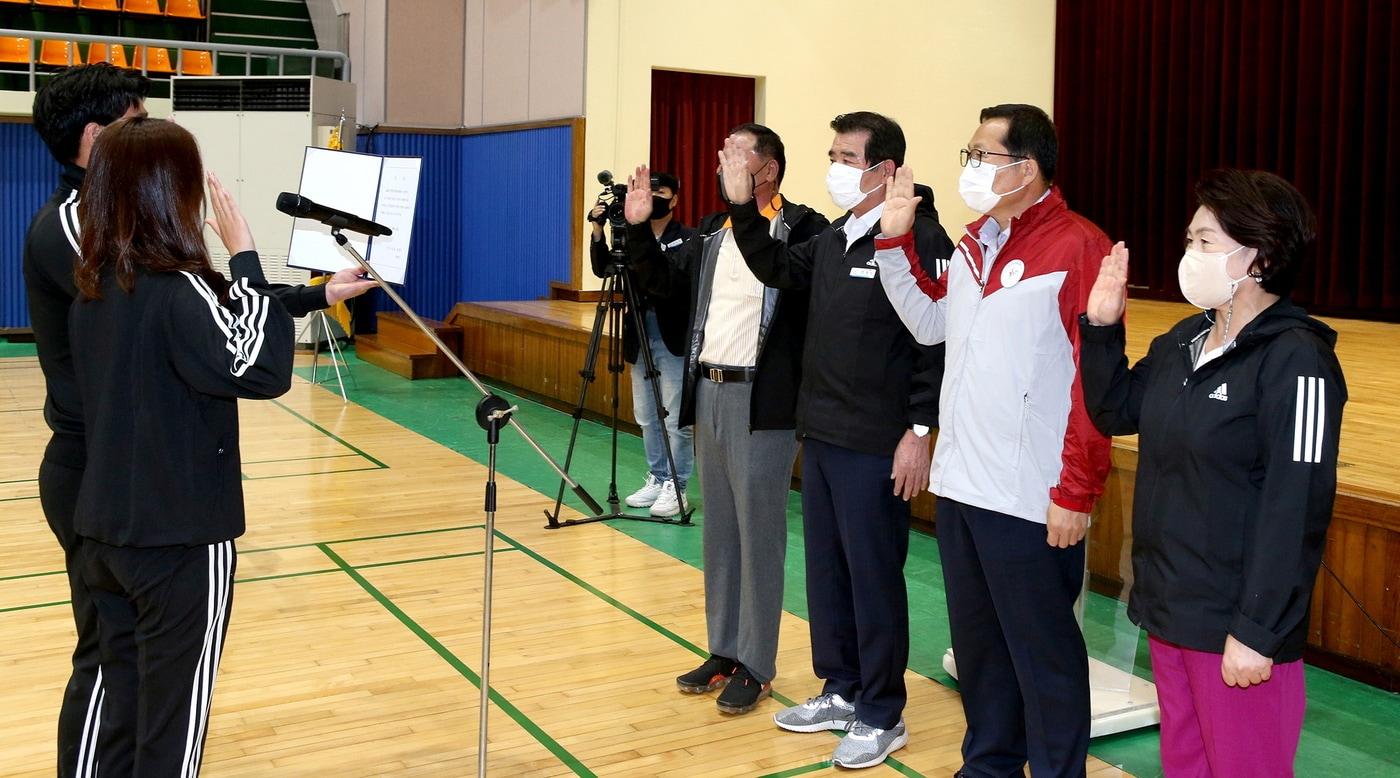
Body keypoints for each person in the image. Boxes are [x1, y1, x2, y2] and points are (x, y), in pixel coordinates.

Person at [22, 64, 375, 777]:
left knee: (116, 675)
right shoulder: (83, 241)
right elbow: (230, 347)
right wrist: (241, 251)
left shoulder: (107, 265)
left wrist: (306, 296)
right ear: (102, 141)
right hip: (138, 487)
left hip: (118, 494)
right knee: (139, 695)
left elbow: (203, 320)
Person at [1079, 169, 1345, 778]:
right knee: (1187, 766)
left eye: (1204, 242)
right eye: (1190, 240)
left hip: (1237, 627)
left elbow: (1296, 506)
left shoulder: (1298, 359)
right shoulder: (1185, 339)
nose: (1188, 255)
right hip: (1173, 612)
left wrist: (1259, 628)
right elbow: (1116, 408)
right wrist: (1101, 327)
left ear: (1261, 255)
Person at [873, 104, 1112, 777]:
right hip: (962, 488)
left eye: (983, 155)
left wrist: (1075, 491)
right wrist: (893, 246)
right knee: (980, 654)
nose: (971, 168)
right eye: (970, 154)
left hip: (1031, 499)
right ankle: (989, 766)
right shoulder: (976, 242)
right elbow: (930, 325)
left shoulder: (1076, 247)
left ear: (1026, 167)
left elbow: (1093, 389)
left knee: (1044, 661)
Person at [718, 111, 951, 769]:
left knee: (873, 577)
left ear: (888, 170)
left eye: (847, 157)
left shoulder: (922, 240)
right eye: (833, 154)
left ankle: (883, 711)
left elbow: (935, 342)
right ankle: (842, 688)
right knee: (828, 574)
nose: (836, 167)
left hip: (877, 440)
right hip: (820, 433)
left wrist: (920, 430)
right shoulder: (834, 238)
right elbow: (772, 265)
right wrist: (742, 202)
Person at [66, 116, 294, 777]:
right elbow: (259, 366)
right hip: (180, 542)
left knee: (122, 716)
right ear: (175, 194)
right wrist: (245, 250)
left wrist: (300, 295)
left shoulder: (96, 286)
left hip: (107, 534)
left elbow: (215, 334)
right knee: (172, 733)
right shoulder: (180, 287)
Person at [623, 123, 829, 716]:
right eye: (721, 155)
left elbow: (779, 273)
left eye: (735, 155)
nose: (722, 164)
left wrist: (746, 212)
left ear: (767, 170)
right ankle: (724, 649)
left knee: (758, 532)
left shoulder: (804, 228)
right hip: (708, 390)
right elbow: (663, 281)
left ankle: (758, 663)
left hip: (761, 402)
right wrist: (637, 230)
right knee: (719, 534)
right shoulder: (713, 231)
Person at [589, 172, 695, 517]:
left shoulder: (690, 239)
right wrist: (598, 231)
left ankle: (677, 485)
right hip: (638, 331)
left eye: (660, 192)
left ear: (674, 199)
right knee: (647, 416)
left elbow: (674, 284)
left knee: (674, 416)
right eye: (647, 192)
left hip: (673, 335)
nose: (653, 198)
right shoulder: (633, 237)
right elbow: (605, 268)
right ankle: (657, 475)